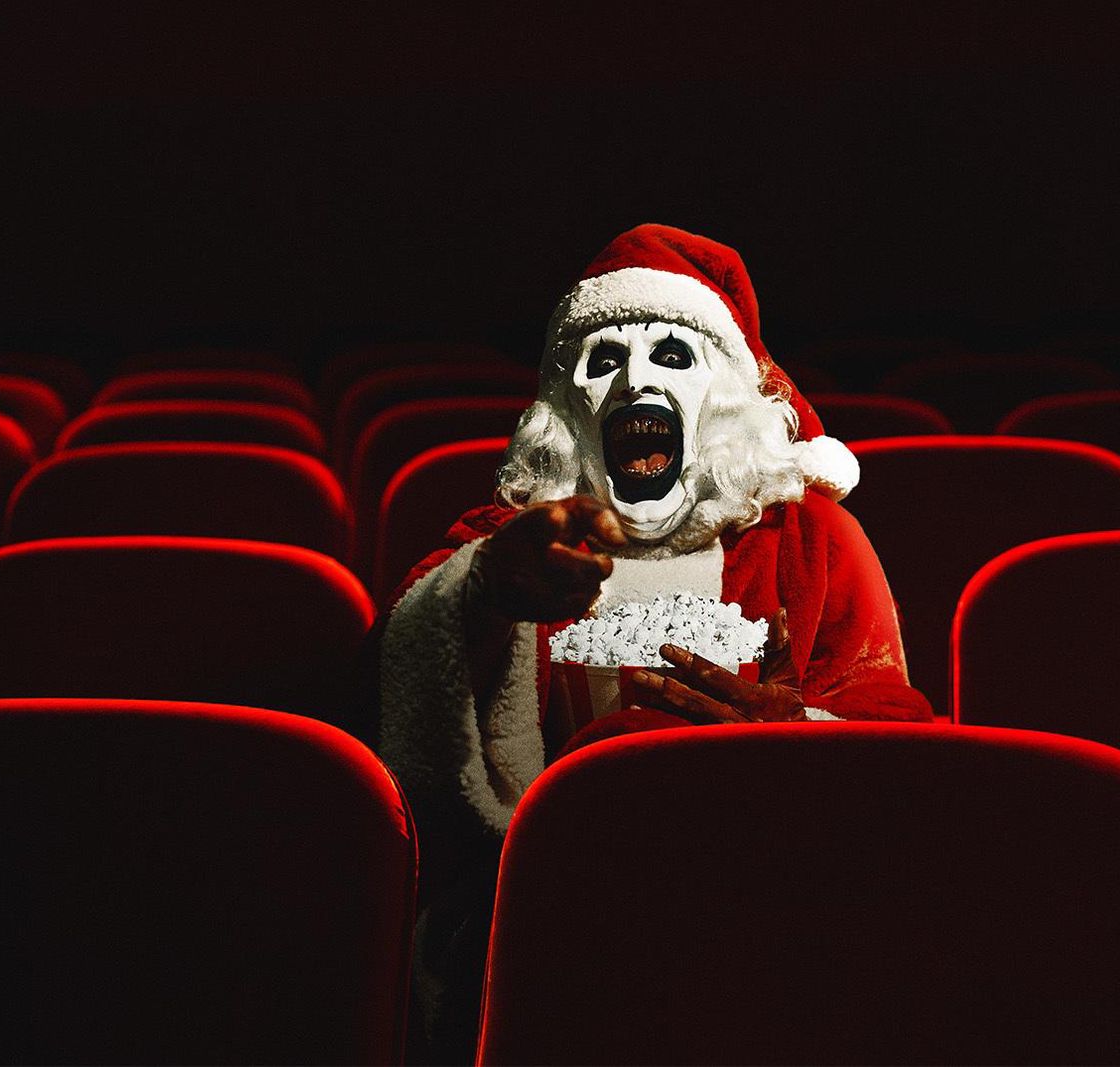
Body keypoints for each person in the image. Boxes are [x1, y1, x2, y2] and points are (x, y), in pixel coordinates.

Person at [375, 223, 933, 1060]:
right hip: (552, 923)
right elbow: (398, 677)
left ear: (726, 395)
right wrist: (484, 595)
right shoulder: (512, 540)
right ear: (567, 407)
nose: (635, 377)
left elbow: (898, 732)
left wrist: (799, 739)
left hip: (770, 913)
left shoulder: (810, 539)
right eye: (604, 360)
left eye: (672, 354)